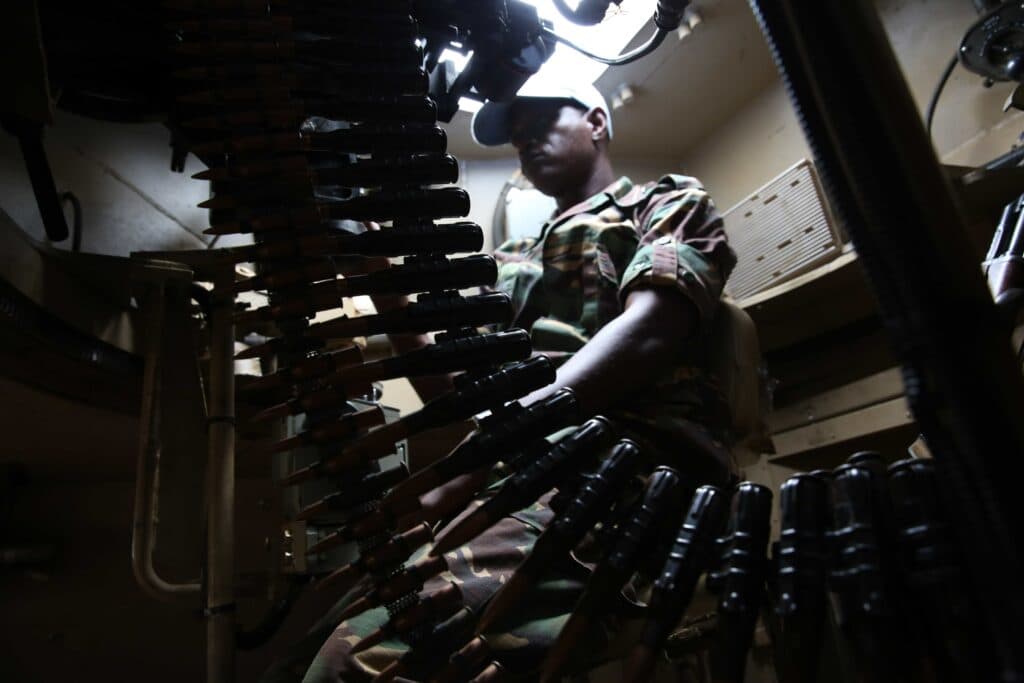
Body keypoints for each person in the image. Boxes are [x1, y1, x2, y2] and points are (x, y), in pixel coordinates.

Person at [298, 80, 739, 682]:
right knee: (324, 643)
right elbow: (460, 397)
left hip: (622, 472)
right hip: (521, 480)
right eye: (515, 130)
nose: (523, 138)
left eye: (540, 118)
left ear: (597, 121)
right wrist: (385, 279)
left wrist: (509, 430)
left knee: (354, 664)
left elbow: (653, 328)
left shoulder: (663, 203)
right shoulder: (508, 262)